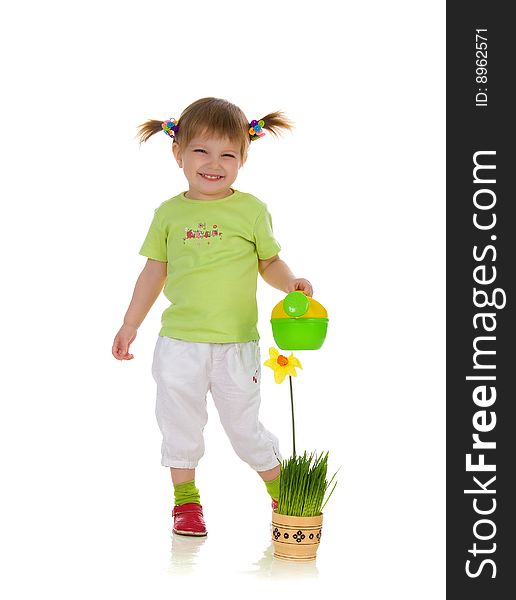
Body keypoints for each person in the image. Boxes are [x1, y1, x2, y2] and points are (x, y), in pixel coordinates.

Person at [111, 97, 313, 537]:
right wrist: (131, 324)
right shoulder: (169, 213)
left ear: (243, 158)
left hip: (237, 344)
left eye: (228, 154)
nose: (214, 164)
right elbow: (153, 271)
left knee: (245, 427)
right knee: (179, 423)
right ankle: (186, 503)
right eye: (201, 151)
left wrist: (291, 280)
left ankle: (285, 492)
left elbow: (268, 262)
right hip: (179, 343)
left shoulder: (251, 210)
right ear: (178, 152)